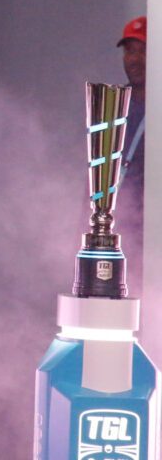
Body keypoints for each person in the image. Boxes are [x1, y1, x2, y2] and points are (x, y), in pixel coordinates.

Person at [116, 16, 146, 296]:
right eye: (129, 51)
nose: (134, 59)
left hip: (150, 239)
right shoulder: (114, 105)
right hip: (116, 232)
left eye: (142, 50)